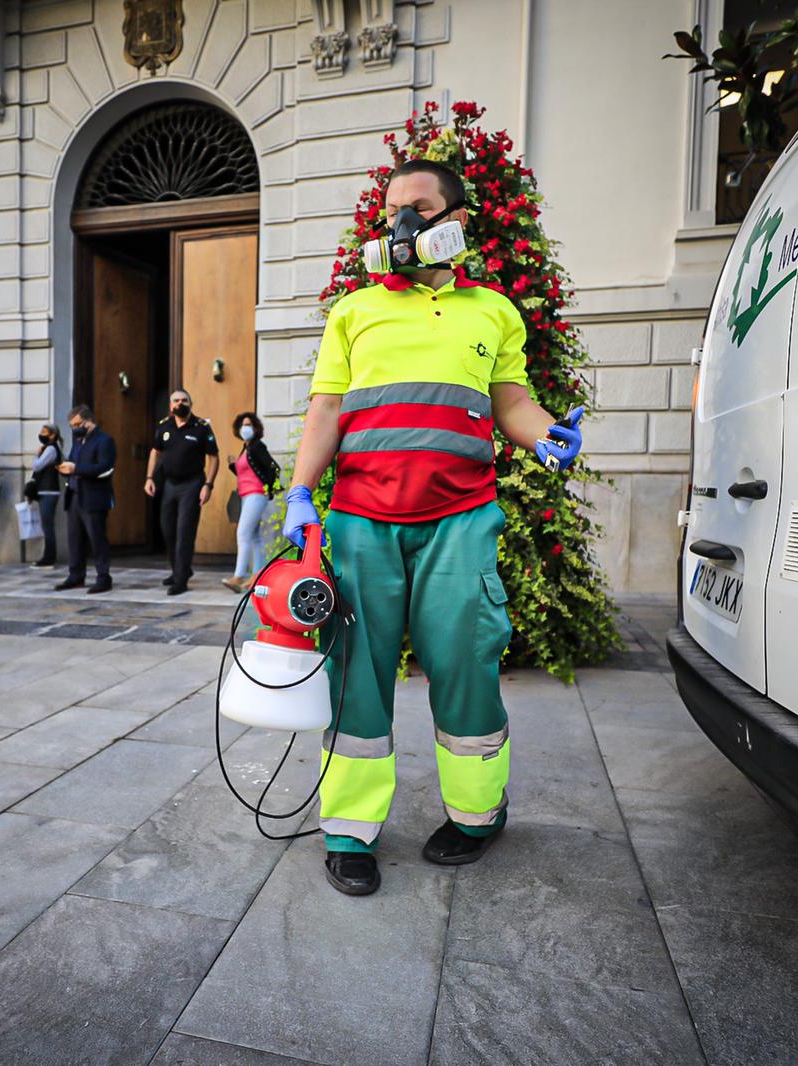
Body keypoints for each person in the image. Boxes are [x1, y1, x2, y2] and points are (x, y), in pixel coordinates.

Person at [283, 158, 583, 897]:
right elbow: (326, 409)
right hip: (360, 523)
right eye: (392, 211)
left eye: (418, 207)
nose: (402, 223)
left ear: (456, 223)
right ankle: (349, 832)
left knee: (465, 667)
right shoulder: (354, 311)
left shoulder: (494, 312)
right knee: (355, 677)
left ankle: (478, 816)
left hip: (460, 520)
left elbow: (511, 399)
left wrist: (542, 434)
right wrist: (298, 492)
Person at [144, 388, 218, 596]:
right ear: (171, 406)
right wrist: (149, 478)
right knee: (167, 529)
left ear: (190, 403)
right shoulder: (164, 426)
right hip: (169, 484)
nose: (180, 403)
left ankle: (181, 579)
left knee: (184, 532)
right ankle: (179, 569)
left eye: (184, 400)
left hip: (192, 484)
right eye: (176, 400)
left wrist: (208, 485)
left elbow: (214, 457)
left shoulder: (201, 427)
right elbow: (155, 452)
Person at [56, 404, 116, 594]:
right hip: (74, 495)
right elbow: (74, 462)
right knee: (75, 538)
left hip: (94, 496)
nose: (75, 428)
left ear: (89, 420)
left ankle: (103, 577)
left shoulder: (104, 440)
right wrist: (66, 469)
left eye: (78, 424)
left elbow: (105, 468)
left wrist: (76, 470)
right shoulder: (77, 441)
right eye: (72, 426)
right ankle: (76, 576)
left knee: (97, 538)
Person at [222, 411, 280, 594]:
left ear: (255, 428)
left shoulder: (257, 447)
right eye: (243, 425)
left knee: (243, 533)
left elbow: (273, 468)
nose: (245, 428)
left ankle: (239, 576)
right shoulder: (246, 448)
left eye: (249, 425)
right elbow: (248, 472)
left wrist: (270, 487)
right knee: (254, 536)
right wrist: (234, 466)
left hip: (256, 494)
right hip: (246, 495)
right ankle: (257, 575)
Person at [26, 420, 63, 568]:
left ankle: (49, 558)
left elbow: (37, 465)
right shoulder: (51, 448)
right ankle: (48, 556)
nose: (41, 435)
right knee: (46, 525)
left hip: (48, 491)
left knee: (47, 526)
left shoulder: (51, 449)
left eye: (44, 432)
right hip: (46, 490)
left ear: (53, 436)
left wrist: (36, 455)